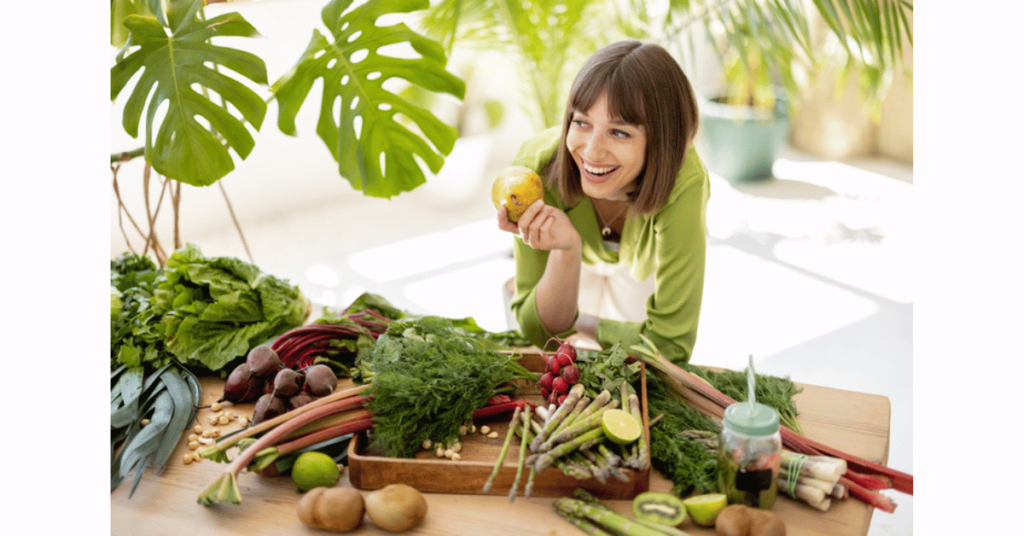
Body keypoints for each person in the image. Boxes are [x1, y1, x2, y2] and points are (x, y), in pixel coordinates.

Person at [497, 40, 710, 364]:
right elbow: (539, 335)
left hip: (641, 265)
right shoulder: (535, 172)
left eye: (620, 132)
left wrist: (587, 325)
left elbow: (669, 346)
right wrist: (566, 251)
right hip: (576, 257)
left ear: (662, 139)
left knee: (643, 369)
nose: (592, 152)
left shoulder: (684, 183)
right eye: (582, 122)